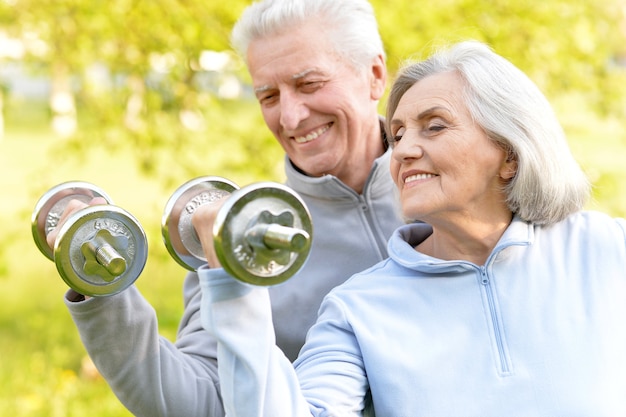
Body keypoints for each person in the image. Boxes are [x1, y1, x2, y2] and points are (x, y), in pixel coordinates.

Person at [198, 40, 626, 416]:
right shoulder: (358, 308)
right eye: (398, 134)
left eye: (434, 126)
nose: (402, 151)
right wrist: (236, 288)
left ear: (510, 153)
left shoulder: (607, 250)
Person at [45, 0, 404, 416]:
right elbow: (201, 402)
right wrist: (103, 288)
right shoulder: (236, 235)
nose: (289, 117)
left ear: (374, 75)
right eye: (268, 95)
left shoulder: (459, 195)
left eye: (308, 84)